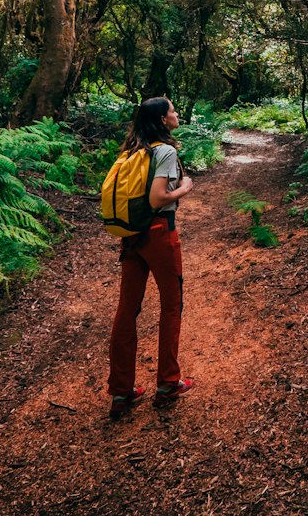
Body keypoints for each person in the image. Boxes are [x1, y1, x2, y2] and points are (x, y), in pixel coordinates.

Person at [107, 96, 195, 418]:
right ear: (161, 120)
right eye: (172, 110)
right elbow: (158, 198)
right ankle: (168, 382)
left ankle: (121, 392)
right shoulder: (166, 151)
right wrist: (184, 187)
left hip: (132, 236)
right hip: (159, 233)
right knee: (172, 305)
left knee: (127, 310)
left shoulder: (131, 152)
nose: (176, 113)